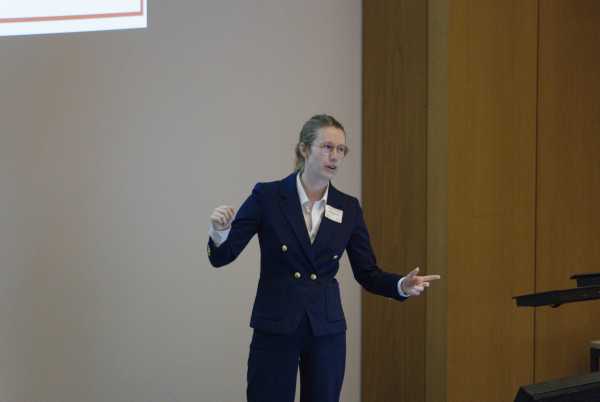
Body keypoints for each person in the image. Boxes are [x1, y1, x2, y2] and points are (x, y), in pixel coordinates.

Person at [207, 114, 440, 402]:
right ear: (304, 149)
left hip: (325, 330)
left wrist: (400, 285)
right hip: (276, 324)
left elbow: (367, 272)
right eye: (327, 147)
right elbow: (223, 256)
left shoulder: (348, 207)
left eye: (341, 149)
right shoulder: (267, 196)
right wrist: (219, 232)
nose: (335, 156)